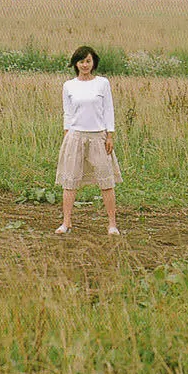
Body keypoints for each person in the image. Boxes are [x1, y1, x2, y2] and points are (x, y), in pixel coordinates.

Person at [55, 44, 121, 235]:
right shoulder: (69, 85)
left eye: (88, 61)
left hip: (98, 137)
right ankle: (66, 223)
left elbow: (108, 109)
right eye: (81, 61)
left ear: (93, 63)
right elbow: (67, 112)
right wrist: (67, 135)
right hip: (75, 137)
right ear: (75, 64)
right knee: (70, 182)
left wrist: (110, 135)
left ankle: (112, 224)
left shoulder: (102, 83)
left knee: (106, 181)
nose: (85, 65)